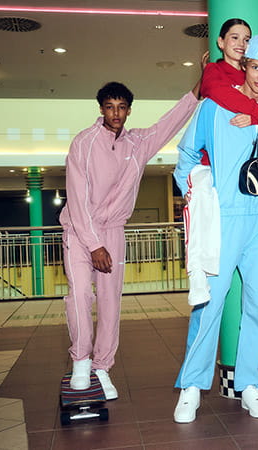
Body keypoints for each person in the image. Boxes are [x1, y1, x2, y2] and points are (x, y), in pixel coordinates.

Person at [172, 35, 258, 423]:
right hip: (224, 219)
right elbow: (186, 155)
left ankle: (251, 385)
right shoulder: (214, 107)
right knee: (209, 303)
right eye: (255, 67)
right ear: (245, 66)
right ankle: (192, 386)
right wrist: (197, 191)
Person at [60, 80, 200, 397]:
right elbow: (78, 198)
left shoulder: (139, 143)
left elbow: (170, 122)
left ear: (129, 110)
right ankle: (81, 362)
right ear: (101, 109)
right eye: (110, 107)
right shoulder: (84, 143)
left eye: (122, 107)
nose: (116, 113)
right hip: (80, 231)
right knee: (80, 296)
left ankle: (102, 367)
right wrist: (94, 244)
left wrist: (197, 88)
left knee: (111, 303)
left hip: (114, 231)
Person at [201, 18, 258, 133]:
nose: (241, 44)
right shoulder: (214, 70)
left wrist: (255, 117)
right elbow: (216, 90)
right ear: (221, 42)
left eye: (247, 40)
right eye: (235, 38)